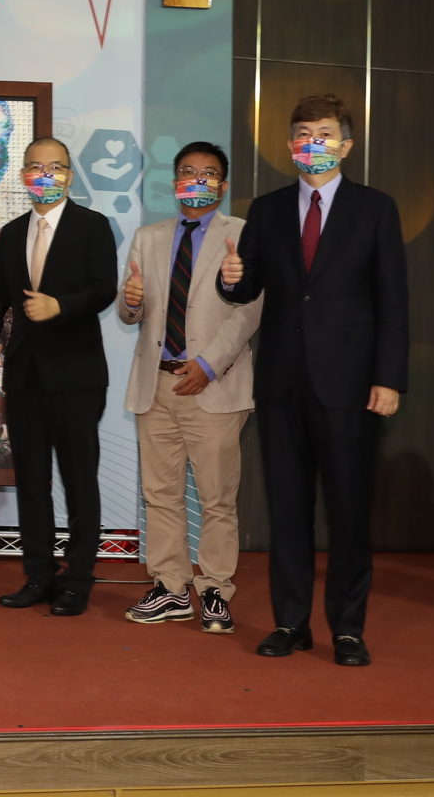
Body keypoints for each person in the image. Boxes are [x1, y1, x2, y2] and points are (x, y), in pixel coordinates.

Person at [219, 94, 408, 667]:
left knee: (349, 511)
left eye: (324, 134)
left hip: (350, 386)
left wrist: (389, 377)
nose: (313, 143)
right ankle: (290, 622)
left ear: (345, 145)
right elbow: (245, 290)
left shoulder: (375, 208)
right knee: (288, 508)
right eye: (303, 133)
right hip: (281, 384)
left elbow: (393, 300)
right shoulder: (268, 209)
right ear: (289, 145)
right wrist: (232, 277)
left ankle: (348, 629)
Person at [119, 142, 262, 633]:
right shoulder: (147, 237)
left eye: (208, 174)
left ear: (222, 185)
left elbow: (250, 309)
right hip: (155, 384)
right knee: (161, 494)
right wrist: (131, 302)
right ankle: (170, 587)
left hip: (213, 387)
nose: (197, 180)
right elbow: (132, 313)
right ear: (174, 180)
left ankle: (217, 590)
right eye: (187, 172)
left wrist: (208, 364)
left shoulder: (242, 235)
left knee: (217, 496)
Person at [0, 136, 118, 616]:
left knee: (80, 481)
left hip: (77, 375)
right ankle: (38, 574)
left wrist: (61, 306)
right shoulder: (13, 232)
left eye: (55, 167)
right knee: (32, 481)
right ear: (22, 175)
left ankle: (78, 578)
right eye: (35, 167)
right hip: (24, 375)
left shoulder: (92, 226)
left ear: (70, 174)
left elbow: (104, 289)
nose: (45, 175)